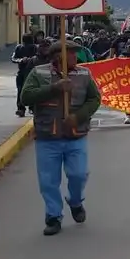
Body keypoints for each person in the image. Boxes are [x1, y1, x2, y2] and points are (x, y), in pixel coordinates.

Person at [20, 40, 102, 236]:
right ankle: (53, 216)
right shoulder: (39, 73)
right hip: (48, 136)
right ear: (58, 56)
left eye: (76, 54)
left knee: (79, 174)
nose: (76, 57)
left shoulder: (84, 74)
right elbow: (26, 97)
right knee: (48, 181)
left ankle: (75, 202)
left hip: (76, 135)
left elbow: (95, 98)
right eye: (71, 53)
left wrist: (79, 116)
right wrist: (54, 88)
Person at [12, 34, 39, 117]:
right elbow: (14, 58)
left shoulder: (33, 47)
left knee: (21, 90)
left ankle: (22, 108)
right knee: (31, 89)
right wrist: (22, 60)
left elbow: (13, 58)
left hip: (27, 71)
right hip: (30, 72)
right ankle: (29, 107)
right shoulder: (21, 47)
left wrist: (24, 60)